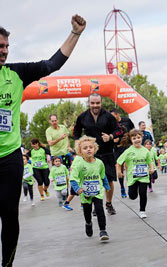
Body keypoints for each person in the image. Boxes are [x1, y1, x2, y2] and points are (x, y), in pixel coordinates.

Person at [0, 14, 85, 266]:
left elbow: (52, 64)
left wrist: (76, 33)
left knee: (9, 216)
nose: (4, 51)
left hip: (9, 158)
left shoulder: (15, 74)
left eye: (6, 47)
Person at [73, 93, 123, 215]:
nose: (95, 105)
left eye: (98, 103)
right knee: (93, 180)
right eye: (93, 103)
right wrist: (77, 145)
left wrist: (110, 136)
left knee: (109, 180)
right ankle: (97, 204)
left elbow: (120, 130)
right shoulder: (82, 117)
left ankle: (109, 203)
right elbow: (76, 132)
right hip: (90, 155)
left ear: (101, 103)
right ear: (89, 103)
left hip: (106, 153)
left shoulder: (108, 117)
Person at [70, 136, 110, 241]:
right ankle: (88, 223)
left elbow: (103, 175)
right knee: (87, 212)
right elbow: (73, 179)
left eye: (90, 147)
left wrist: (106, 186)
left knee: (99, 209)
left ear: (95, 149)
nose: (88, 149)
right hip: (85, 193)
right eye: (85, 148)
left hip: (97, 191)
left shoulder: (99, 163)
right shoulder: (78, 164)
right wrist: (77, 188)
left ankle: (103, 230)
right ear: (80, 151)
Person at [116, 129, 154, 219]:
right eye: (134, 138)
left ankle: (142, 211)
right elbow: (119, 162)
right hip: (132, 177)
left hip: (144, 177)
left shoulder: (145, 151)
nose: (137, 140)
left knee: (143, 193)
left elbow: (150, 161)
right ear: (131, 140)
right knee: (133, 196)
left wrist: (152, 168)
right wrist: (119, 172)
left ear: (142, 138)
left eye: (138, 137)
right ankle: (132, 193)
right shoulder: (128, 151)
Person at [110, 108, 135, 199]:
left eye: (113, 116)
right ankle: (122, 188)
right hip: (117, 148)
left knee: (129, 166)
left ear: (117, 114)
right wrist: (113, 140)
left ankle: (130, 185)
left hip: (127, 146)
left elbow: (133, 131)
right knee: (119, 168)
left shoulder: (127, 121)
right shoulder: (111, 124)